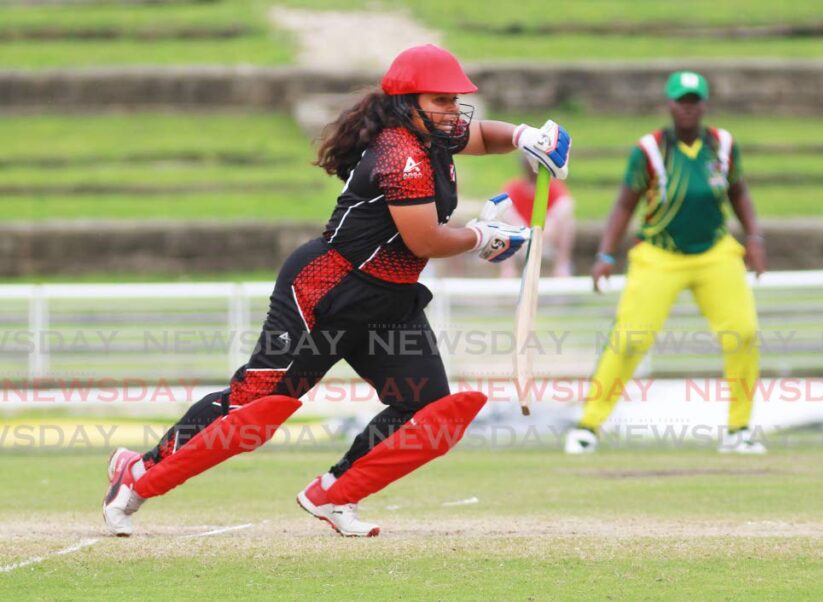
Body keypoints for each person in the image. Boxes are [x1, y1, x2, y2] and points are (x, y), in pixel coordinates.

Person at [103, 44, 571, 537]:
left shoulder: (432, 134)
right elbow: (425, 239)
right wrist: (482, 236)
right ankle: (135, 474)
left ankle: (335, 493)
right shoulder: (400, 154)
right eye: (442, 100)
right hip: (327, 293)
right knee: (254, 412)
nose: (454, 112)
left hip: (389, 300)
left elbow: (480, 136)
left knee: (428, 412)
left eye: (456, 100)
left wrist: (524, 137)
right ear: (407, 102)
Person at [564, 70, 765, 455]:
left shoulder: (722, 144)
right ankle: (589, 424)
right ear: (670, 105)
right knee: (629, 340)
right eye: (681, 101)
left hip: (714, 251)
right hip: (659, 253)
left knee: (743, 334)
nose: (687, 108)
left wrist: (754, 238)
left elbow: (739, 192)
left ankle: (739, 429)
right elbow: (625, 203)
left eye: (694, 101)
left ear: (704, 105)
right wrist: (605, 254)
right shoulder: (650, 149)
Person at [497, 156, 576, 278]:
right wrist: (520, 226)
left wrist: (549, 222)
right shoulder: (515, 187)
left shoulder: (553, 187)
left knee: (568, 221)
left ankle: (561, 266)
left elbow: (566, 204)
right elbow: (502, 206)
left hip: (546, 238)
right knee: (502, 217)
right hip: (520, 239)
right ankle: (507, 269)